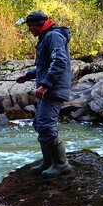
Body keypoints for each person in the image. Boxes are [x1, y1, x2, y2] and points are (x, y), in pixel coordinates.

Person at [15, 10, 73, 177]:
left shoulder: (53, 37)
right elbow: (45, 65)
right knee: (39, 124)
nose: (29, 31)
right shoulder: (46, 37)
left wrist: (45, 85)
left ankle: (62, 165)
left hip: (54, 89)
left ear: (36, 26)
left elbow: (60, 61)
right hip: (50, 88)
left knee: (46, 125)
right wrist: (28, 75)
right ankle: (49, 162)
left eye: (29, 27)